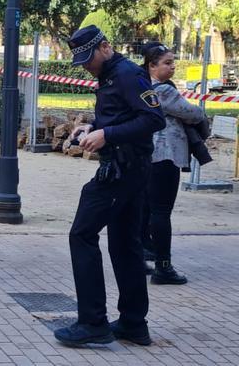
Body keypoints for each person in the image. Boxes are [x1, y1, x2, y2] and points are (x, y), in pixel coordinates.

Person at [54, 25, 165, 347]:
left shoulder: (128, 74)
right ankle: (133, 323)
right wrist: (95, 126)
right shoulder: (111, 75)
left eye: (90, 58)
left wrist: (107, 135)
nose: (87, 66)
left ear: (106, 46)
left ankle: (92, 323)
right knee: (124, 245)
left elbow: (153, 119)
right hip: (128, 169)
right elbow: (123, 115)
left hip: (122, 170)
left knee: (81, 234)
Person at [139, 42, 205, 285]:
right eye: (167, 62)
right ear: (151, 66)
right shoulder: (164, 92)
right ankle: (163, 267)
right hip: (165, 156)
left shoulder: (140, 87)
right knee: (161, 211)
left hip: (145, 154)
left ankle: (140, 257)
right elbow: (193, 113)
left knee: (145, 208)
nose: (173, 66)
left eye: (173, 61)